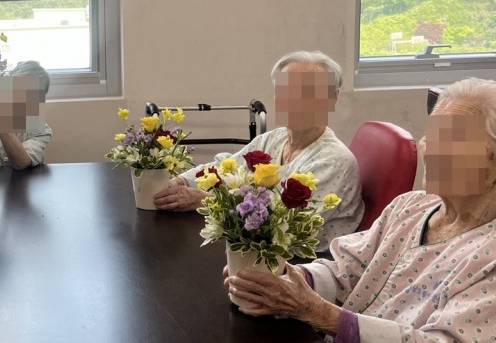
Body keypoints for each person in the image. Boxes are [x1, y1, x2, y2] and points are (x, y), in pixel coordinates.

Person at [227, 78, 496, 343]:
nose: (432, 150)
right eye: (433, 135)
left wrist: (322, 315)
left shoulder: (495, 254)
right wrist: (285, 280)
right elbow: (346, 267)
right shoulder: (412, 207)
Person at [154, 50, 363, 251]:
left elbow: (283, 225)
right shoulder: (274, 138)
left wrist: (206, 200)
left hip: (302, 262)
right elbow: (225, 167)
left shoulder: (334, 161)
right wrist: (180, 182)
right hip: (258, 249)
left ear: (332, 98)